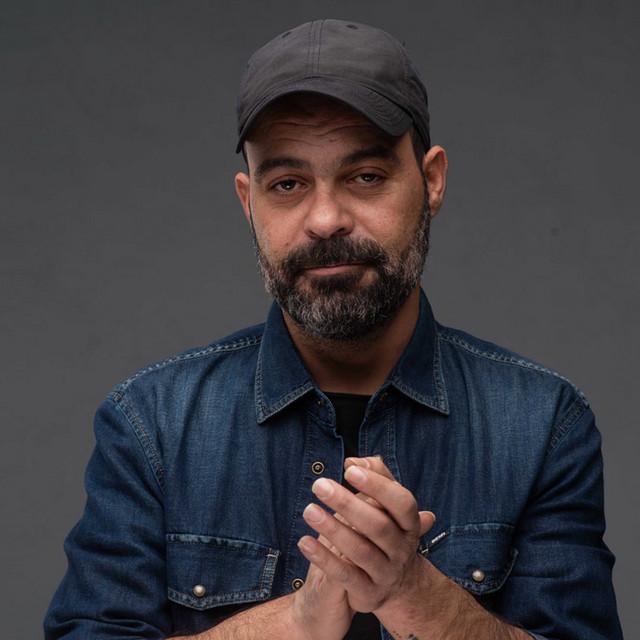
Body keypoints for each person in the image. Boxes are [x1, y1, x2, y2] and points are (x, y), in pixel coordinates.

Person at [44, 18, 622, 640]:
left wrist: (419, 597)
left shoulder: (542, 424)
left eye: (365, 176)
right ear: (248, 202)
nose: (324, 219)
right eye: (287, 184)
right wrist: (293, 623)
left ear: (431, 181)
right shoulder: (150, 424)